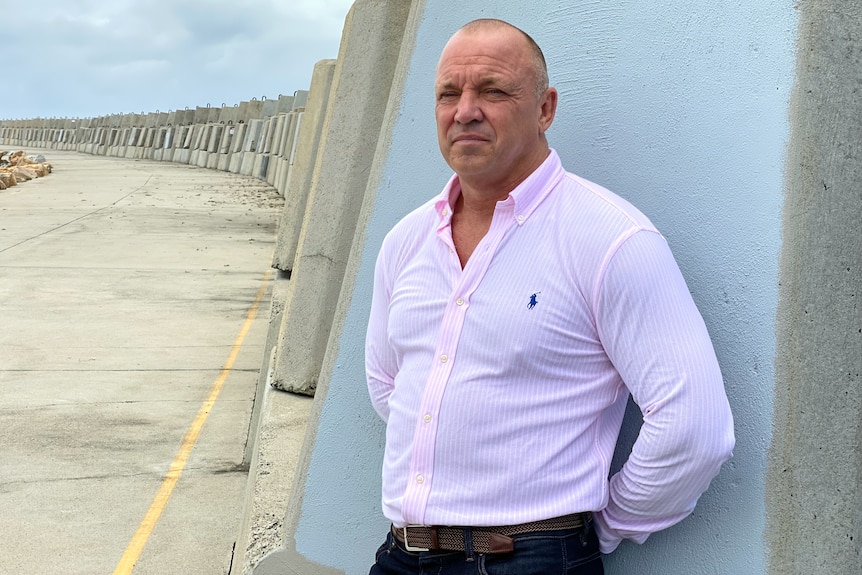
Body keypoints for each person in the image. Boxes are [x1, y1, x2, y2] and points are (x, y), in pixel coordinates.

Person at [365, 18, 734, 575]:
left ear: (545, 108)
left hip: (531, 560)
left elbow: (694, 427)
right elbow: (389, 385)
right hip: (401, 555)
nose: (464, 111)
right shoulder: (406, 241)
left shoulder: (610, 240)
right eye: (448, 93)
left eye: (492, 91)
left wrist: (595, 530)